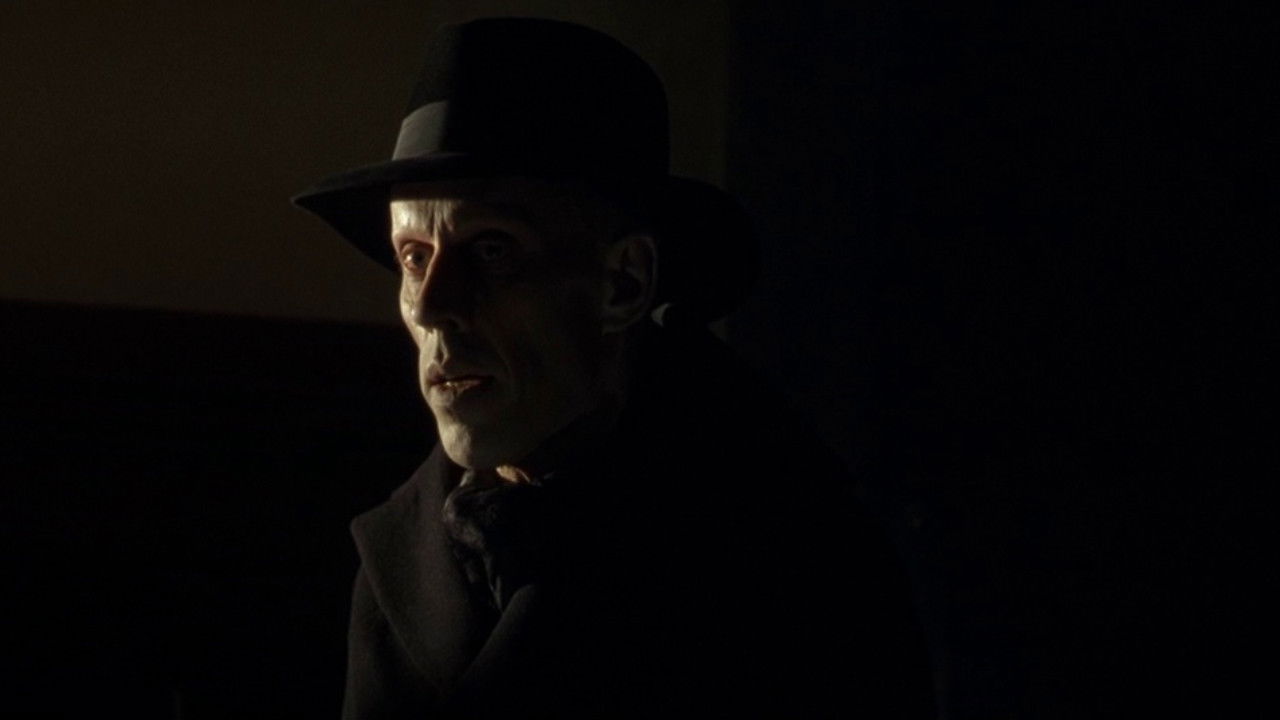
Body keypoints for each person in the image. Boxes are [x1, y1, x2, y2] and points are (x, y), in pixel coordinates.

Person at [294, 17, 934, 719]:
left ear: (624, 283)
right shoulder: (403, 561)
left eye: (492, 250)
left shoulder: (790, 559)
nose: (432, 306)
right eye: (414, 257)